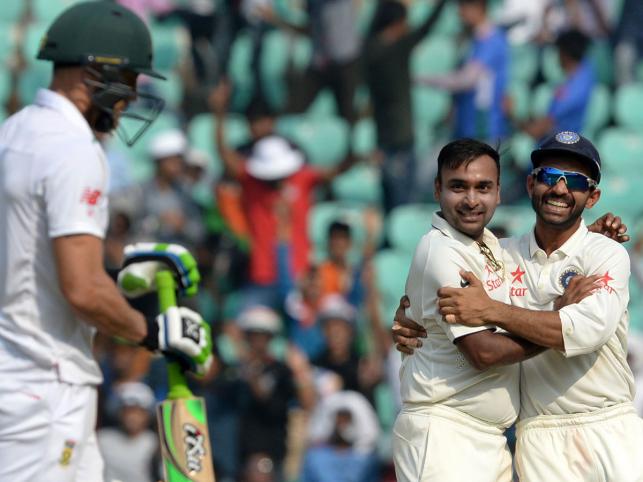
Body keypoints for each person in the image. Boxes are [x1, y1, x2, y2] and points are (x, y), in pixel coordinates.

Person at [0, 3, 212, 481]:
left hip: (22, 377)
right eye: (131, 80)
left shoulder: (13, 132)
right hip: (44, 388)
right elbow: (81, 289)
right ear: (96, 71)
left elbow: (34, 261)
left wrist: (121, 276)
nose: (133, 97)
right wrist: (153, 332)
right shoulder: (73, 149)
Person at [394, 132, 641, 481]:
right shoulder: (500, 256)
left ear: (593, 197)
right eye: (548, 177)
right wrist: (410, 314)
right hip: (537, 439)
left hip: (608, 427)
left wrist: (493, 311)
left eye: (574, 181)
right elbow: (435, 299)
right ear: (529, 184)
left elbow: (588, 331)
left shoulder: (606, 253)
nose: (559, 189)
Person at [209, 80, 358, 308]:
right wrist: (219, 115)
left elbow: (336, 170)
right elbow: (224, 154)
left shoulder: (302, 176)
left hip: (298, 276)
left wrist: (354, 134)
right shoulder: (251, 180)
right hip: (261, 276)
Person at [364, 0, 447, 212]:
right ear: (398, 23)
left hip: (383, 138)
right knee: (404, 203)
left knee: (389, 201)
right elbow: (427, 26)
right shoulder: (398, 48)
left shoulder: (369, 50)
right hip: (401, 138)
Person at [416, 0, 509, 142]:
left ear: (478, 7)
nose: (459, 12)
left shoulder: (491, 40)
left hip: (483, 128)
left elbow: (465, 80)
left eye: (463, 6)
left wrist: (421, 79)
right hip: (466, 126)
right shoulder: (472, 40)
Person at [516, 29, 595, 139]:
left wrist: (511, 117)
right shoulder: (586, 74)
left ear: (565, 54)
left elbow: (536, 131)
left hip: (560, 150)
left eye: (558, 51)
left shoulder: (572, 91)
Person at [97, 382, 159, 482]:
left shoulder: (155, 443)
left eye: (139, 411)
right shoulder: (102, 439)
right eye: (128, 410)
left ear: (148, 415)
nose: (133, 417)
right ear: (119, 412)